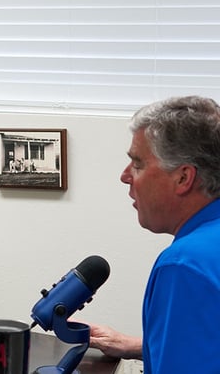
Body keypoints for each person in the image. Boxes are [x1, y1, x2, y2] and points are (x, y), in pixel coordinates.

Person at [83, 95, 220, 373]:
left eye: (138, 164)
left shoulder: (185, 265)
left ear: (183, 177)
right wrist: (143, 346)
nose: (125, 176)